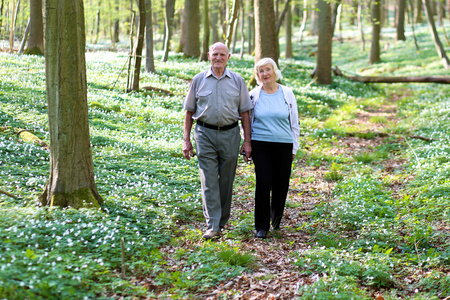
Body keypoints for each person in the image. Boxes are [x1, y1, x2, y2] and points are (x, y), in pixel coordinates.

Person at [182, 42, 252, 240]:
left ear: (228, 57)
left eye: (222, 54)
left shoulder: (238, 81)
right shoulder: (198, 80)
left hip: (230, 134)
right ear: (208, 55)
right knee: (209, 180)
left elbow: (245, 112)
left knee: (226, 181)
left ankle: (221, 220)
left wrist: (247, 142)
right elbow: (188, 112)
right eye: (215, 54)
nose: (218, 58)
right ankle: (213, 224)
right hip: (204, 134)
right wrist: (186, 141)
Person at [249, 57, 300, 239]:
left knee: (281, 183)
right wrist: (247, 142)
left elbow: (294, 121)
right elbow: (248, 121)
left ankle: (276, 218)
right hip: (260, 143)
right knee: (263, 182)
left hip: (284, 143)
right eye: (261, 71)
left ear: (274, 71)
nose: (265, 74)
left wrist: (294, 147)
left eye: (268, 70)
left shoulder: (287, 93)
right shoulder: (254, 94)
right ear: (258, 74)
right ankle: (261, 226)